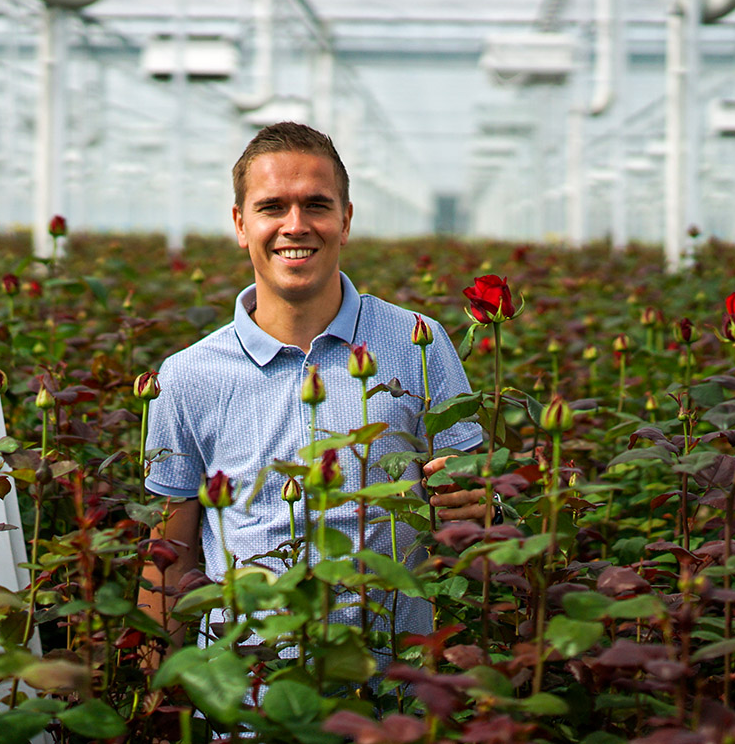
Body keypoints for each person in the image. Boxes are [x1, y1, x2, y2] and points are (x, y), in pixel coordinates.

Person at [139, 121, 489, 659]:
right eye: (272, 207)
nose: (295, 225)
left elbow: (474, 514)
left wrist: (479, 508)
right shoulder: (188, 376)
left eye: (317, 206)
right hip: (248, 702)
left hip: (391, 695)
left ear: (345, 221)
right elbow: (171, 559)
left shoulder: (416, 345)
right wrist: (158, 709)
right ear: (240, 223)